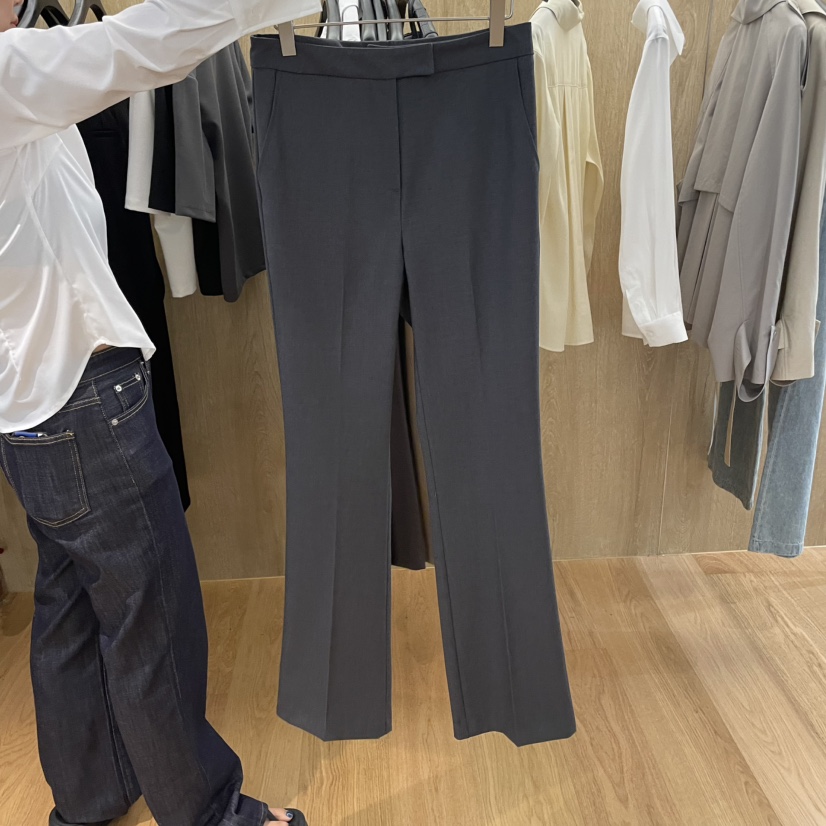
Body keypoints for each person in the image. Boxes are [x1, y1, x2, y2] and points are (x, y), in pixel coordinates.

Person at [0, 0, 318, 824]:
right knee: (151, 616)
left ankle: (89, 801)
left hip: (26, 408)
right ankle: (208, 814)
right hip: (82, 395)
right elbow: (140, 45)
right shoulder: (6, 75)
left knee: (69, 606)